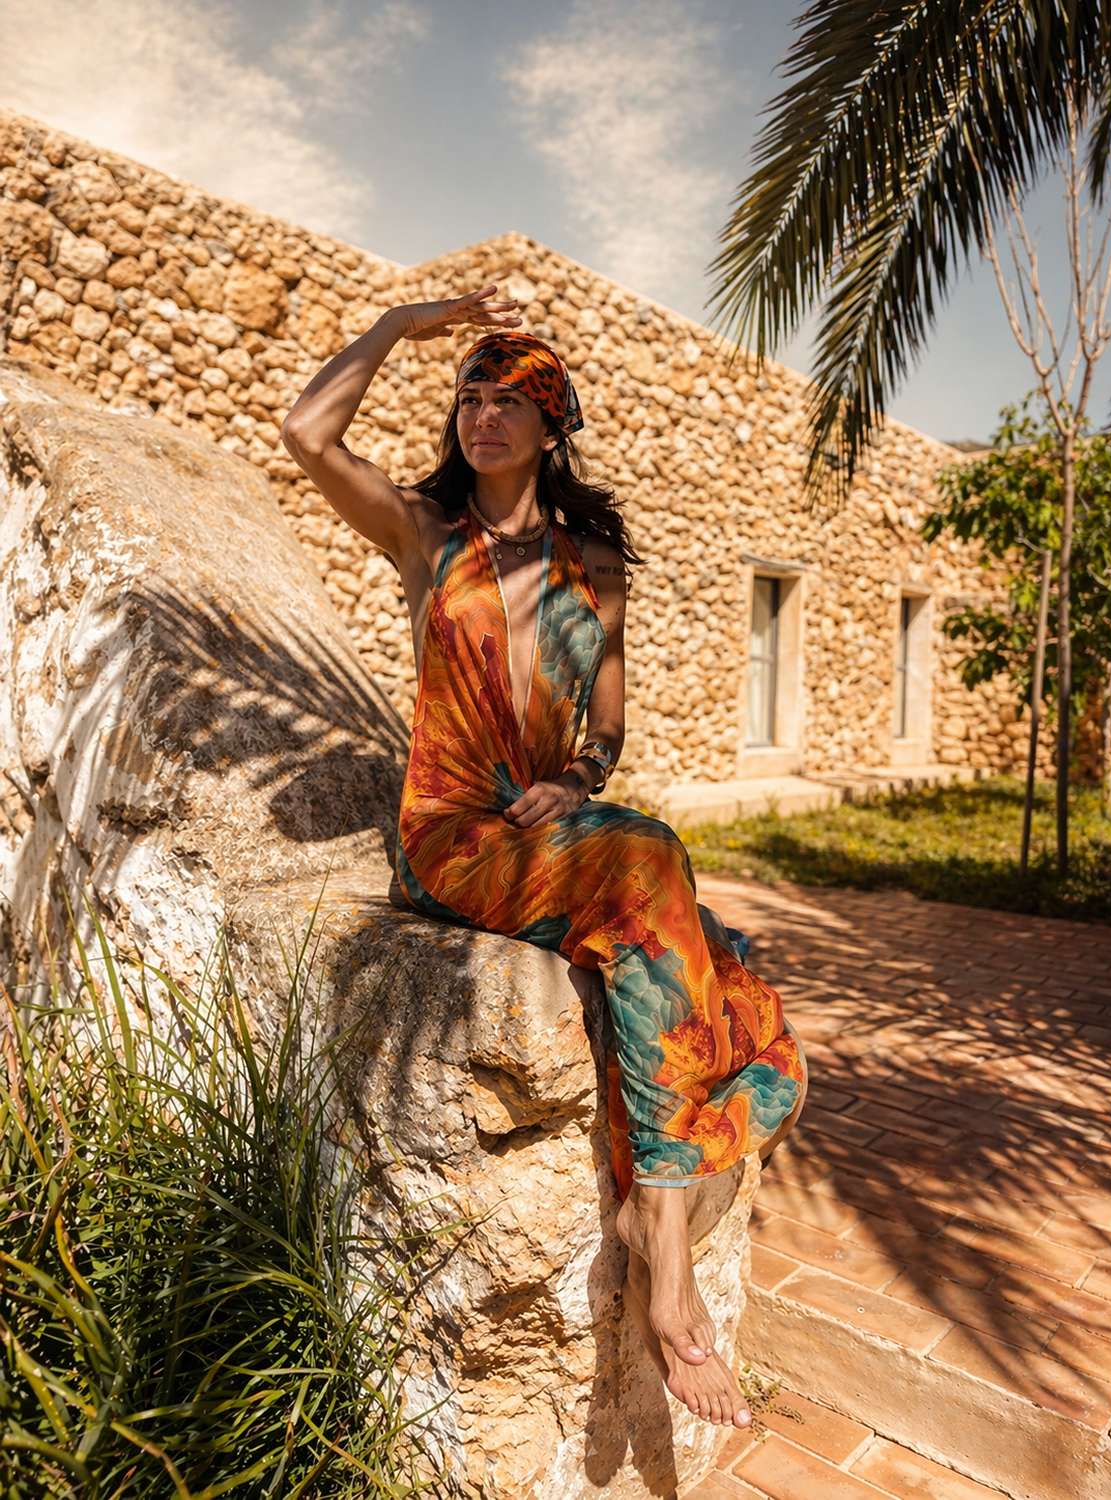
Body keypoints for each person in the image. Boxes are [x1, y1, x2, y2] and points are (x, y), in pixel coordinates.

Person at [281, 283, 807, 1432]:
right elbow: (306, 432)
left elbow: (606, 726)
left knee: (699, 956)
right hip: (451, 837)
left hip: (551, 831)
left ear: (550, 423)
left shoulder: (593, 562)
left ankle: (650, 1208)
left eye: (509, 399)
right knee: (653, 866)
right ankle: (664, 1241)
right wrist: (405, 323)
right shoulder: (426, 534)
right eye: (469, 396)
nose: (482, 415)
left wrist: (580, 776)